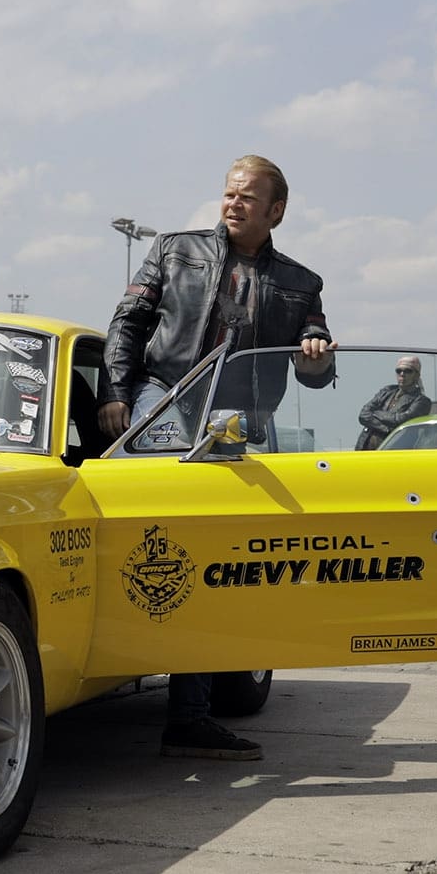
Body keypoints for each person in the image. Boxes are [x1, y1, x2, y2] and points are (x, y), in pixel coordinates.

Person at [98, 153, 336, 761]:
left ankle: (189, 718)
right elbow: (127, 323)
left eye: (247, 197)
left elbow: (314, 369)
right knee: (137, 523)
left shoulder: (303, 282)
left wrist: (316, 356)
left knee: (213, 555)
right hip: (164, 396)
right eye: (230, 193)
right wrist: (116, 393)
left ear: (275, 211)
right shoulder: (174, 250)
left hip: (238, 418)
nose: (233, 203)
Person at [355, 355, 432, 450]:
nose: (402, 374)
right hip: (364, 449)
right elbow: (363, 415)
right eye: (399, 371)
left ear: (416, 375)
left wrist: (375, 413)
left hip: (393, 452)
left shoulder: (422, 401)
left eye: (408, 371)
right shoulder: (386, 391)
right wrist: (386, 429)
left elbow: (401, 420)